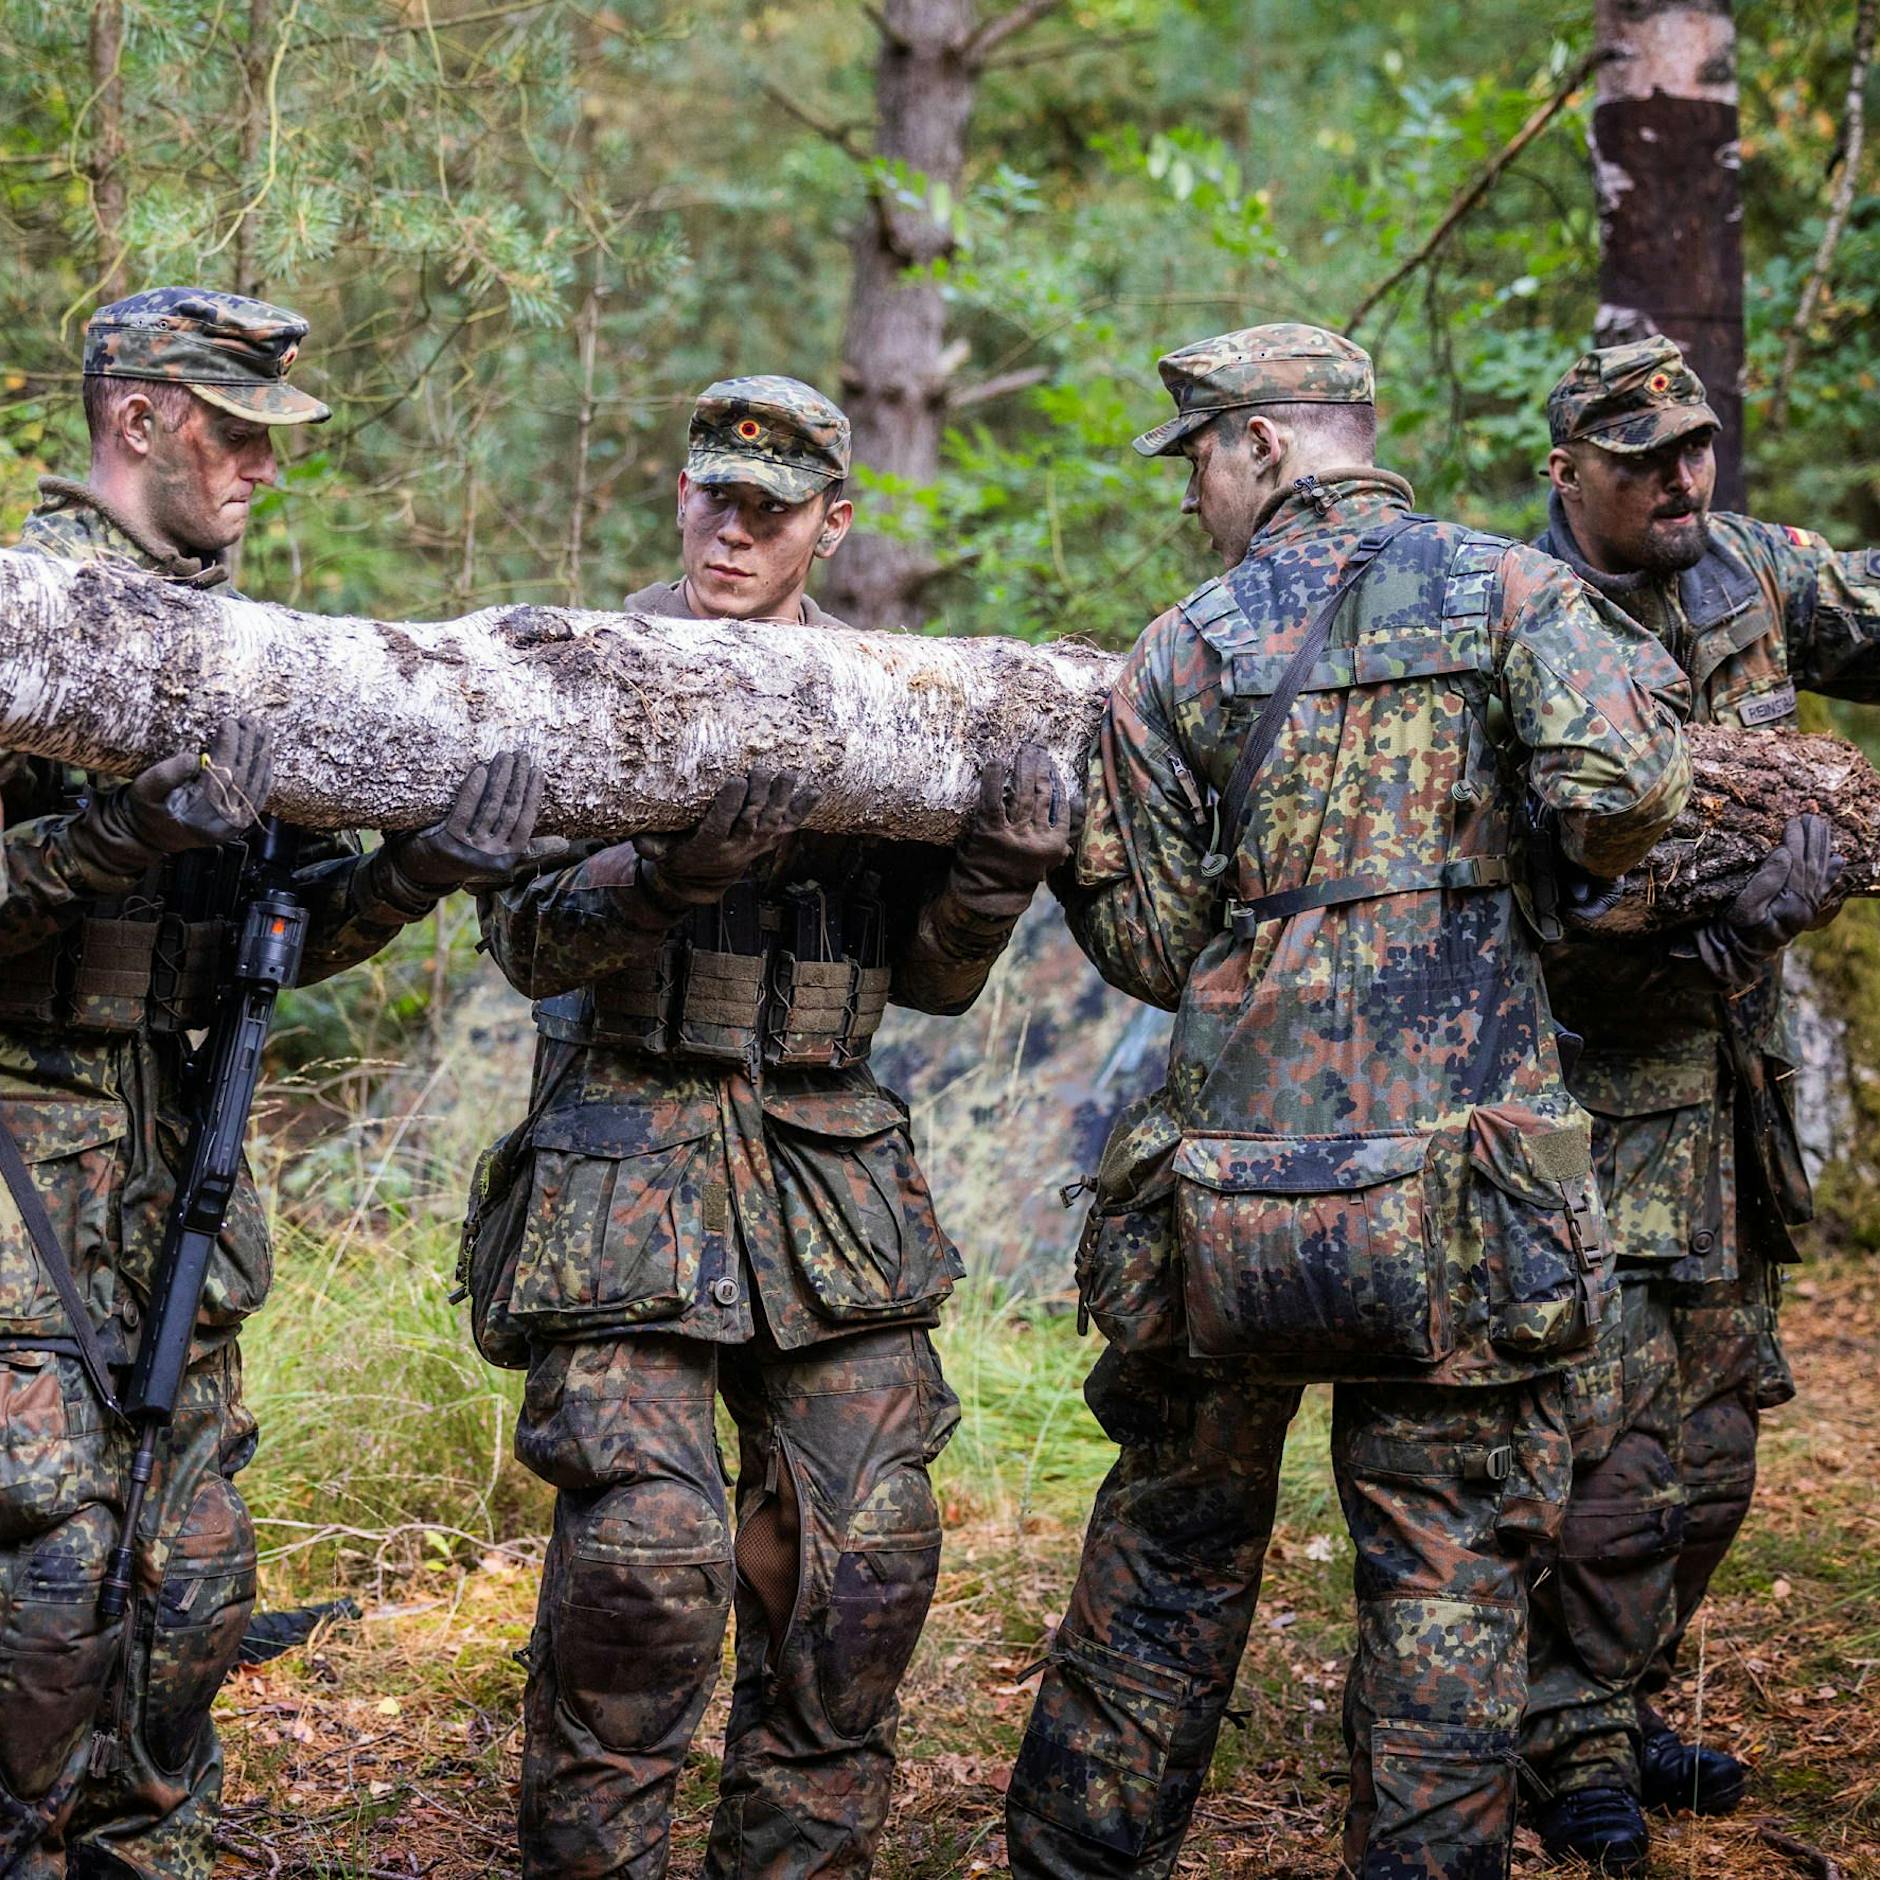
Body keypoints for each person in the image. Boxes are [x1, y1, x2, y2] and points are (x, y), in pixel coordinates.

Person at [1001, 322, 1693, 1880]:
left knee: (1170, 1542)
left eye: (1199, 461)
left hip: (1237, 1192)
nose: (1192, 496)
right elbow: (1627, 795)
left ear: (1259, 445)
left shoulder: (1179, 649)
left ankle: (1077, 1859)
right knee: (1451, 1572)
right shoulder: (1515, 594)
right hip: (1469, 1191)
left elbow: (1151, 945)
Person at [470, 375, 1071, 1879]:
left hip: (831, 1184)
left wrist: (994, 875)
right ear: (680, 496)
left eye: (771, 513)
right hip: (625, 1164)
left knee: (864, 1562)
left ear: (833, 525)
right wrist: (663, 876)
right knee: (646, 1568)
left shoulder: (892, 705)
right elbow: (527, 944)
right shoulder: (584, 672)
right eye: (715, 501)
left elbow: (928, 979)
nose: (734, 534)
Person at [0, 286, 541, 1878]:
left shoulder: (255, 655)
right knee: (47, 1569)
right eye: (233, 433)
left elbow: (277, 941)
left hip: (167, 1154)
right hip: (18, 1156)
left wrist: (419, 873)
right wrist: (110, 835)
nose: (263, 468)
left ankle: (145, 1849)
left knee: (189, 1573)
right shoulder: (30, 620)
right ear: (137, 418)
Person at [1520, 334, 1880, 1871]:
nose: (1683, 478)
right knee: (1610, 1458)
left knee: (1718, 1452)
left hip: (1730, 1104)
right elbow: (1519, 894)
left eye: (1696, 445)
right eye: (1644, 459)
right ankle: (1565, 1739)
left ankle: (1625, 1699)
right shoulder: (1521, 621)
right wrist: (1720, 931)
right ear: (1567, 473)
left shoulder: (1749, 568)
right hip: (1587, 1108)